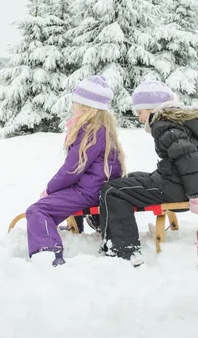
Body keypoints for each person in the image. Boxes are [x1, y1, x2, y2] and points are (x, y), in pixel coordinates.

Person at [98, 80, 198, 266]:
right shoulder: (183, 122)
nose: (140, 118)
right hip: (179, 182)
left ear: (151, 108)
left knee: (112, 190)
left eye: (140, 112)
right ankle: (114, 231)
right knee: (130, 178)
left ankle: (123, 250)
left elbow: (187, 156)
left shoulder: (163, 125)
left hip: (175, 189)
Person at [26, 75, 126, 266]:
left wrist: (49, 190)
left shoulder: (91, 131)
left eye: (75, 103)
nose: (72, 107)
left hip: (89, 191)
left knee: (37, 210)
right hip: (96, 188)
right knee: (49, 203)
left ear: (86, 107)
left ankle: (47, 253)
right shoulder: (103, 128)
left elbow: (73, 169)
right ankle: (65, 233)